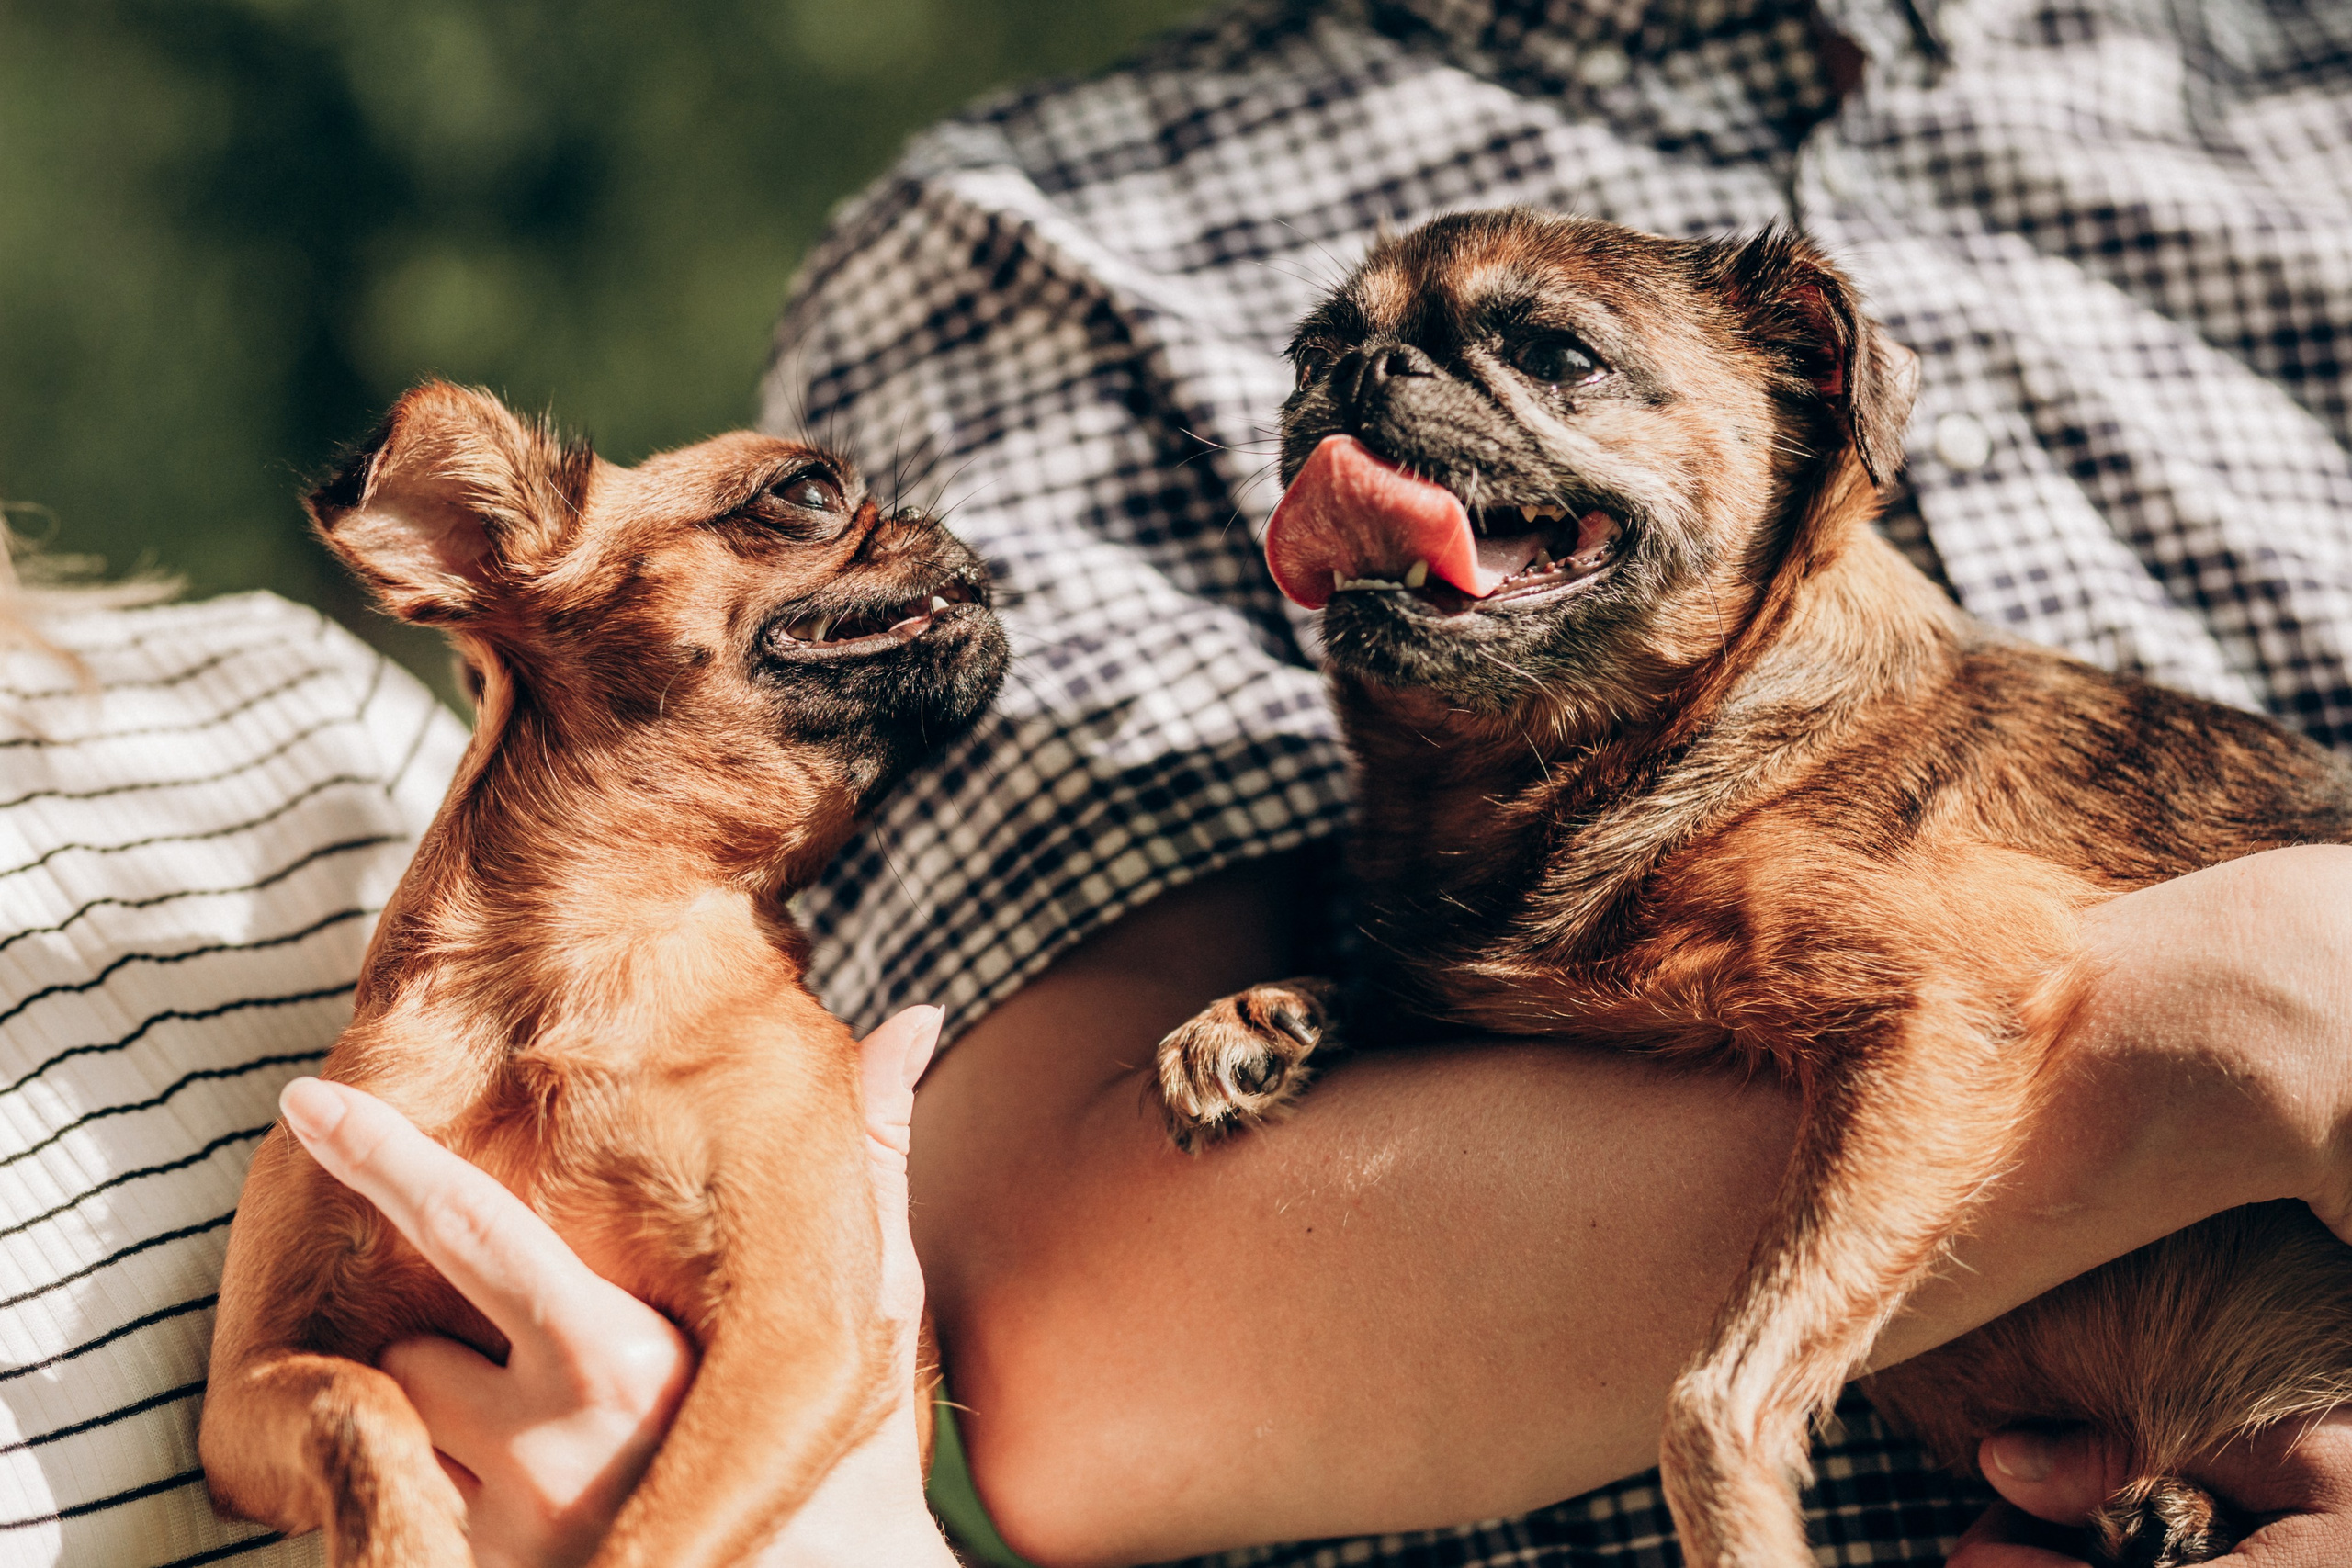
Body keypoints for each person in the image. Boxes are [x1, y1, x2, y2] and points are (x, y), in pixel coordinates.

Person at [4, 0, 2348, 1562]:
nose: (1377, 400)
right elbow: (1085, 1348)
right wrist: (2239, 1006)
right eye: (1344, 369)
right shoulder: (1039, 238)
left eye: (1536, 350)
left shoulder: (2271, 83)